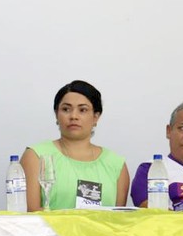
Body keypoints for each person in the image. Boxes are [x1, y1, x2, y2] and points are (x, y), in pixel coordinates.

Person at [22, 80, 129, 211]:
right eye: (66, 109)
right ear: (56, 114)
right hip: (49, 232)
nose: (73, 116)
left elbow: (118, 221)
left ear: (96, 117)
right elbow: (28, 217)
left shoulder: (116, 164)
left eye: (82, 110)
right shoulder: (36, 156)